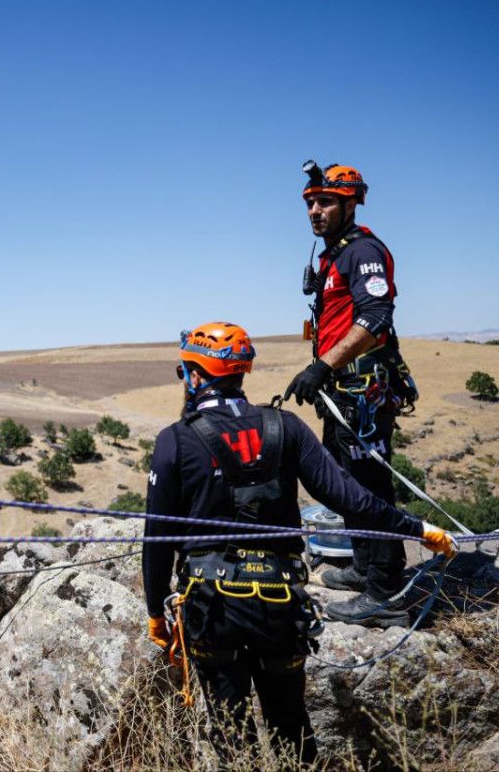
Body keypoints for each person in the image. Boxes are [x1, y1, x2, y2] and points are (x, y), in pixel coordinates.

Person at [143, 322, 456, 765]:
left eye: (184, 372)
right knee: (291, 725)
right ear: (240, 373)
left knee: (233, 734)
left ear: (195, 375)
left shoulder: (174, 441)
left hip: (213, 609)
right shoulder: (285, 427)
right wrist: (415, 528)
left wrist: (156, 613)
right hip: (279, 605)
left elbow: (157, 538)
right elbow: (349, 496)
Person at [284, 161, 421, 627]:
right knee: (343, 485)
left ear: (350, 202)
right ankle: (365, 567)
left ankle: (387, 596)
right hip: (342, 391)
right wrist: (324, 374)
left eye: (324, 201)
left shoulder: (363, 252)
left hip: (361, 393)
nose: (315, 211)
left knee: (369, 488)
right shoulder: (334, 253)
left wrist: (323, 365)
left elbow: (376, 315)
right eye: (310, 203)